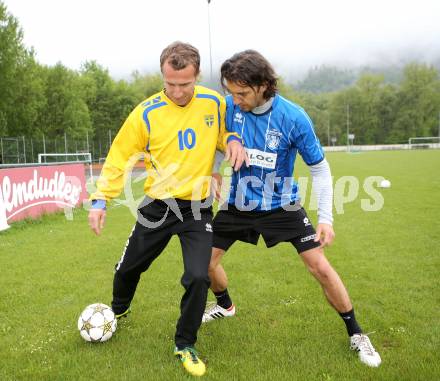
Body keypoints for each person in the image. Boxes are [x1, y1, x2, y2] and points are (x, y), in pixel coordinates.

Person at [202, 50, 382, 368]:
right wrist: (216, 168)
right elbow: (219, 140)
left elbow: (320, 169)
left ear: (263, 86)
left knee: (320, 268)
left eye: (242, 92)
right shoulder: (229, 107)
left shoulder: (293, 117)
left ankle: (356, 333)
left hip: (281, 205)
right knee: (204, 263)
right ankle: (225, 306)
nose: (235, 99)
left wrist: (326, 218)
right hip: (238, 203)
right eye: (231, 92)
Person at [88, 41, 247, 377]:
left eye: (184, 84)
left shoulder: (214, 103)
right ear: (163, 76)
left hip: (198, 208)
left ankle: (185, 343)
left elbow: (228, 132)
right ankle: (118, 310)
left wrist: (231, 138)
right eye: (170, 83)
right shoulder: (146, 112)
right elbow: (119, 158)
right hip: (157, 206)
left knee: (199, 275)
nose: (176, 91)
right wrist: (101, 199)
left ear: (197, 76)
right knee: (128, 269)